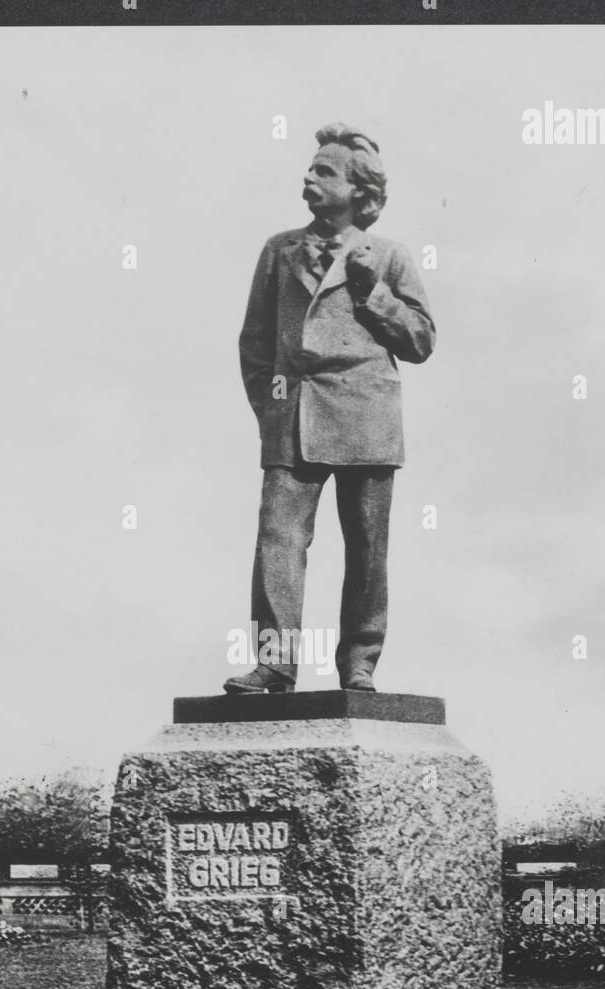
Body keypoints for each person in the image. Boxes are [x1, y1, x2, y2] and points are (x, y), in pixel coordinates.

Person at [224, 122, 435, 695]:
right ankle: (274, 664)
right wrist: (270, 409)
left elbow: (420, 342)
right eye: (310, 167)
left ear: (360, 191)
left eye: (325, 171)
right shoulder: (278, 249)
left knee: (367, 547)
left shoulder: (388, 256)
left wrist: (374, 292)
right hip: (291, 417)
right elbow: (255, 344)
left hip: (367, 416)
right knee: (278, 540)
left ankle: (360, 664)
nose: (309, 177)